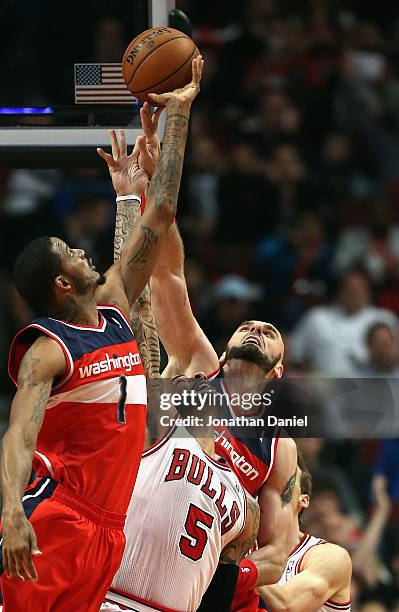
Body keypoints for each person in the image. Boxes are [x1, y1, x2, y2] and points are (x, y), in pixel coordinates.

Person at [0, 56, 204, 612]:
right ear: (61, 282)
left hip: (110, 526)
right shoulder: (48, 350)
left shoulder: (117, 304)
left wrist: (178, 116)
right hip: (56, 514)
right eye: (71, 252)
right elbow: (17, 438)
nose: (83, 250)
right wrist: (12, 513)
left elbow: (163, 213)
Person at [113, 118, 297, 611]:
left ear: (277, 373)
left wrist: (228, 579)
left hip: (197, 583)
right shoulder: (198, 362)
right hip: (122, 551)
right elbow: (168, 272)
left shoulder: (279, 446)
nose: (256, 328)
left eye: (270, 332)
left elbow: (280, 551)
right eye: (248, 326)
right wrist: (155, 191)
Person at [101, 376, 260, 612]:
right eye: (179, 381)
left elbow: (219, 594)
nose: (198, 376)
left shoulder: (246, 505)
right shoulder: (157, 434)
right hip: (111, 600)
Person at [258, 453, 352, 612]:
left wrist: (236, 561)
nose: (275, 479)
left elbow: (286, 605)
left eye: (287, 474)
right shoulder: (244, 551)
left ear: (303, 500)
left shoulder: (331, 556)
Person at [290, 269, 397, 376]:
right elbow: (293, 352)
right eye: (349, 288)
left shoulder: (384, 319)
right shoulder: (317, 318)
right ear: (339, 291)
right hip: (323, 387)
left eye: (359, 289)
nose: (354, 293)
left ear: (368, 292)